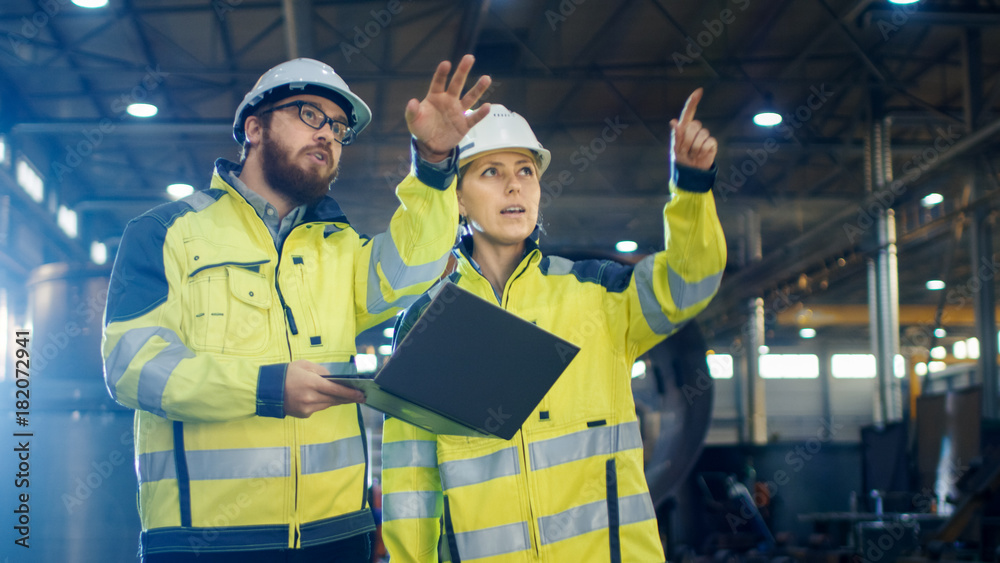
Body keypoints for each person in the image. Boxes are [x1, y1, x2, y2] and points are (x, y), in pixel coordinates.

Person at [101, 55, 491, 562]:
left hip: (336, 538)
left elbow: (413, 269)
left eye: (337, 127)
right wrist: (264, 389)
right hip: (206, 543)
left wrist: (435, 164)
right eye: (309, 114)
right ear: (254, 126)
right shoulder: (164, 233)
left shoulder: (339, 246)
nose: (327, 134)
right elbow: (133, 367)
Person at [380, 92, 726, 562]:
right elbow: (411, 478)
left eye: (526, 171)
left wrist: (691, 188)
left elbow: (688, 285)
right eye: (491, 172)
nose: (515, 187)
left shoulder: (599, 294)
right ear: (457, 200)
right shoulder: (429, 320)